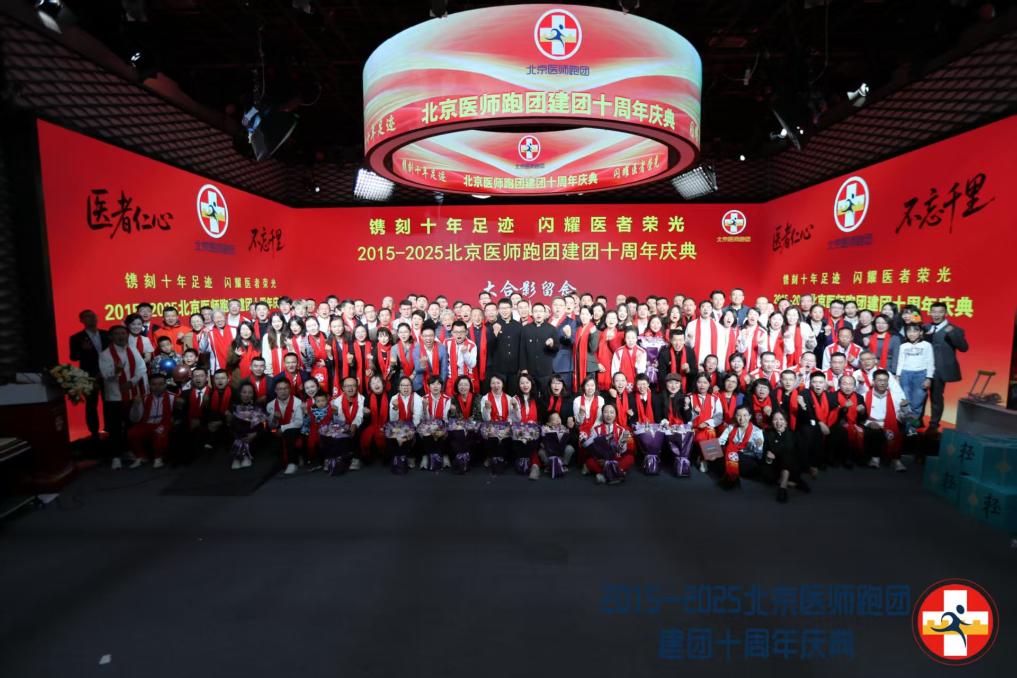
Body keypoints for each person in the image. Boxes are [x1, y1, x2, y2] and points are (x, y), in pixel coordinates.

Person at [99, 325, 148, 469]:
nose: (121, 336)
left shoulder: (133, 349)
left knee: (131, 425)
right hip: (114, 397)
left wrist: (132, 382)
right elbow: (105, 374)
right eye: (117, 334)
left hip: (132, 394)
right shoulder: (105, 354)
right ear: (111, 337)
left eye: (123, 333)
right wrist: (116, 372)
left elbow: (142, 368)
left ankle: (128, 451)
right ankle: (116, 457)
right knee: (114, 428)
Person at [924, 301, 968, 433]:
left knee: (936, 397)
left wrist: (951, 333)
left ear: (946, 313)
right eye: (934, 312)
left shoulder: (954, 329)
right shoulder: (925, 327)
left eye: (940, 312)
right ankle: (917, 420)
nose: (936, 315)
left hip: (939, 370)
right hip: (922, 367)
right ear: (930, 312)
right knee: (919, 395)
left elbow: (964, 348)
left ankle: (933, 424)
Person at [70, 309, 108, 440]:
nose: (92, 318)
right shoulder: (76, 338)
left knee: (109, 403)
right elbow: (73, 356)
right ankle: (94, 433)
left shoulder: (106, 334)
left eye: (93, 316)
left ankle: (110, 429)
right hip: (89, 376)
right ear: (81, 320)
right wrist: (83, 350)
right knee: (91, 405)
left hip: (108, 374)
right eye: (87, 316)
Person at [126, 372, 175, 469]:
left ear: (165, 385)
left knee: (160, 432)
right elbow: (134, 418)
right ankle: (141, 456)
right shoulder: (144, 398)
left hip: (163, 423)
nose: (157, 387)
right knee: (132, 433)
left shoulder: (173, 397)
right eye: (154, 384)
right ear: (149, 385)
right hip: (146, 424)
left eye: (161, 384)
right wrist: (136, 405)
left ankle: (158, 458)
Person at [864, 369, 909, 471]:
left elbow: (902, 418)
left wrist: (904, 409)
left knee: (899, 429)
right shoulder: (865, 396)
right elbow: (860, 418)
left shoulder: (896, 397)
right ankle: (875, 458)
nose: (882, 383)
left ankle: (896, 459)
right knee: (875, 431)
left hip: (890, 423)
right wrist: (869, 423)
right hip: (872, 424)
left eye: (885, 380)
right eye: (879, 380)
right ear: (873, 381)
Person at [763, 410, 810, 503]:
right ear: (772, 422)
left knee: (787, 457)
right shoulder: (767, 435)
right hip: (775, 466)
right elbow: (765, 453)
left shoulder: (792, 434)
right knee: (765, 475)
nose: (778, 422)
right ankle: (793, 484)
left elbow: (796, 453)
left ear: (786, 422)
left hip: (791, 465)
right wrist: (769, 458)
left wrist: (777, 455)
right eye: (775, 419)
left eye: (781, 419)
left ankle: (783, 487)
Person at [581, 402, 634, 484]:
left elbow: (622, 451)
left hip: (616, 459)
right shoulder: (595, 429)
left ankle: (603, 475)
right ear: (602, 414)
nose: (608, 415)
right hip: (601, 460)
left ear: (616, 415)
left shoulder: (622, 430)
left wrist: (623, 442)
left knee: (630, 458)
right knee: (590, 461)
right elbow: (592, 448)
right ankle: (617, 473)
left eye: (612, 412)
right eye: (606, 412)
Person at [897, 322, 935, 434]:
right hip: (905, 375)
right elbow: (900, 362)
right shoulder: (903, 346)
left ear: (921, 332)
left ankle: (912, 429)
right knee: (905, 403)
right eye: (909, 331)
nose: (912, 334)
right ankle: (905, 429)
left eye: (915, 331)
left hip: (920, 375)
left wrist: (928, 378)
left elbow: (930, 362)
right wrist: (898, 376)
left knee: (917, 404)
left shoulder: (927, 345)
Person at [716, 406, 765, 488]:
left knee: (730, 454)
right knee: (718, 451)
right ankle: (731, 473)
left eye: (745, 415)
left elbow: (759, 456)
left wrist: (756, 446)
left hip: (747, 459)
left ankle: (730, 475)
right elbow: (720, 441)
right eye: (739, 415)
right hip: (734, 454)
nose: (742, 419)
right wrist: (710, 447)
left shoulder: (757, 432)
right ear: (735, 416)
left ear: (750, 416)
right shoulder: (731, 427)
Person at [266, 379, 304, 475]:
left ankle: (292, 463)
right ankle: (293, 457)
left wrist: (282, 428)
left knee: (289, 432)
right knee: (271, 434)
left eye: (285, 388)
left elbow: (299, 422)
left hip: (295, 430)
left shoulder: (298, 402)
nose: (283, 391)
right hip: (275, 430)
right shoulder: (270, 405)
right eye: (280, 389)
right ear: (275, 390)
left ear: (290, 389)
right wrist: (274, 418)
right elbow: (271, 426)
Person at [827, 374, 866, 468]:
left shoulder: (859, 397)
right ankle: (836, 458)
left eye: (851, 384)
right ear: (839, 385)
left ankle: (854, 458)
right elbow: (832, 415)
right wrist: (844, 408)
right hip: (836, 423)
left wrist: (862, 411)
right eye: (844, 384)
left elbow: (863, 417)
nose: (848, 387)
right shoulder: (832, 396)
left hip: (854, 423)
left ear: (854, 386)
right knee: (841, 429)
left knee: (862, 430)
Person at [520, 302, 558, 396]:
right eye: (536, 311)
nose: (538, 314)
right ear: (532, 314)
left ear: (545, 313)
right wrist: (523, 368)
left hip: (546, 371)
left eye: (541, 311)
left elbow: (556, 349)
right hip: (530, 371)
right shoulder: (525, 329)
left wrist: (552, 345)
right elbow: (522, 350)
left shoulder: (551, 329)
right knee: (531, 396)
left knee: (545, 396)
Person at [332, 376, 366, 470]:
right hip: (343, 424)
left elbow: (360, 416)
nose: (350, 388)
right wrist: (345, 427)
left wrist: (354, 425)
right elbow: (338, 417)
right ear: (343, 388)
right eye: (347, 386)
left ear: (357, 386)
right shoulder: (337, 400)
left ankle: (356, 458)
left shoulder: (362, 399)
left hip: (357, 423)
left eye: (353, 385)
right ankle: (341, 457)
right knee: (336, 431)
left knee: (359, 430)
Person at [491, 298, 523, 395]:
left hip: (515, 368)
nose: (504, 311)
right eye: (502, 308)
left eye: (507, 308)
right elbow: (489, 347)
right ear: (498, 310)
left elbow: (522, 348)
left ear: (511, 309)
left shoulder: (518, 326)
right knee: (499, 395)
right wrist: (495, 334)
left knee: (513, 395)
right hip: (499, 369)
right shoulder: (493, 325)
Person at [359, 374, 390, 464]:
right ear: (370, 387)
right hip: (372, 424)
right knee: (366, 433)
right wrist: (366, 414)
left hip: (386, 424)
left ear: (383, 384)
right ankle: (367, 454)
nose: (376, 384)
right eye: (373, 383)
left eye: (378, 382)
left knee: (387, 432)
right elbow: (365, 418)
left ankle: (386, 454)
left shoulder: (390, 395)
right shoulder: (367, 397)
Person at [571, 305, 600, 394]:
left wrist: (593, 334)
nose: (584, 316)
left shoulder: (593, 329)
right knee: (580, 392)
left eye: (587, 314)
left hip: (589, 367)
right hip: (578, 364)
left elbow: (593, 348)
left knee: (589, 391)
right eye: (582, 314)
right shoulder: (578, 329)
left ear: (591, 316)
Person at [444, 320, 477, 397]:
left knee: (465, 401)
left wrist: (466, 353)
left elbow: (472, 365)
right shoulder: (446, 342)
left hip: (465, 379)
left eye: (462, 332)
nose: (459, 334)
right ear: (452, 333)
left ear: (466, 332)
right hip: (450, 378)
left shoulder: (472, 345)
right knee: (450, 401)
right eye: (456, 332)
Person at [656, 328, 696, 393]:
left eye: (681, 340)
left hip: (686, 388)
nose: (678, 343)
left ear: (684, 341)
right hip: (668, 388)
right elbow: (662, 375)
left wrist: (688, 370)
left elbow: (695, 372)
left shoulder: (690, 352)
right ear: (671, 340)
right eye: (675, 340)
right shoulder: (664, 353)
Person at [685, 300, 722, 365]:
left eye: (708, 307)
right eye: (703, 307)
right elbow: (687, 345)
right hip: (696, 359)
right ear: (699, 310)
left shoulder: (718, 326)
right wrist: (690, 339)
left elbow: (720, 347)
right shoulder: (691, 325)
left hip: (712, 361)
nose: (705, 309)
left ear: (712, 310)